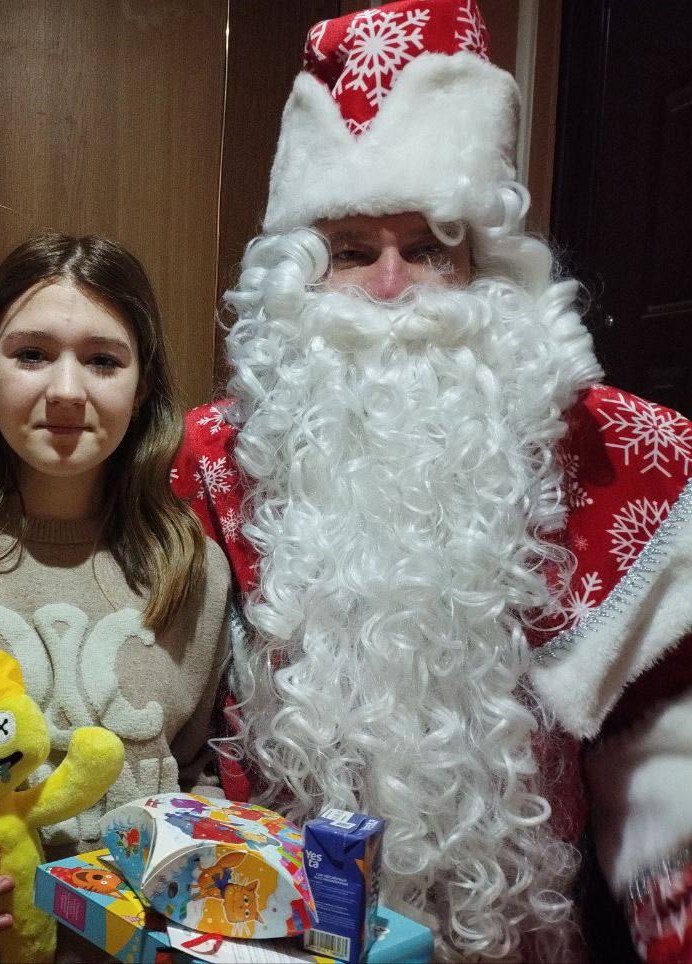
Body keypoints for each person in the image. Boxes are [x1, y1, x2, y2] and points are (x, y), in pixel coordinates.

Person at [173, 2, 692, 961]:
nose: (389, 285)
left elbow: (666, 742)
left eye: (426, 249)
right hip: (272, 931)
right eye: (351, 251)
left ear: (483, 269)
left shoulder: (602, 452)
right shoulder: (214, 457)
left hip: (512, 937)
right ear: (297, 277)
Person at [0, 233, 232, 962]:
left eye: (103, 360)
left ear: (143, 386)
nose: (66, 391)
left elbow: (198, 775)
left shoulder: (194, 569)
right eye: (32, 354)